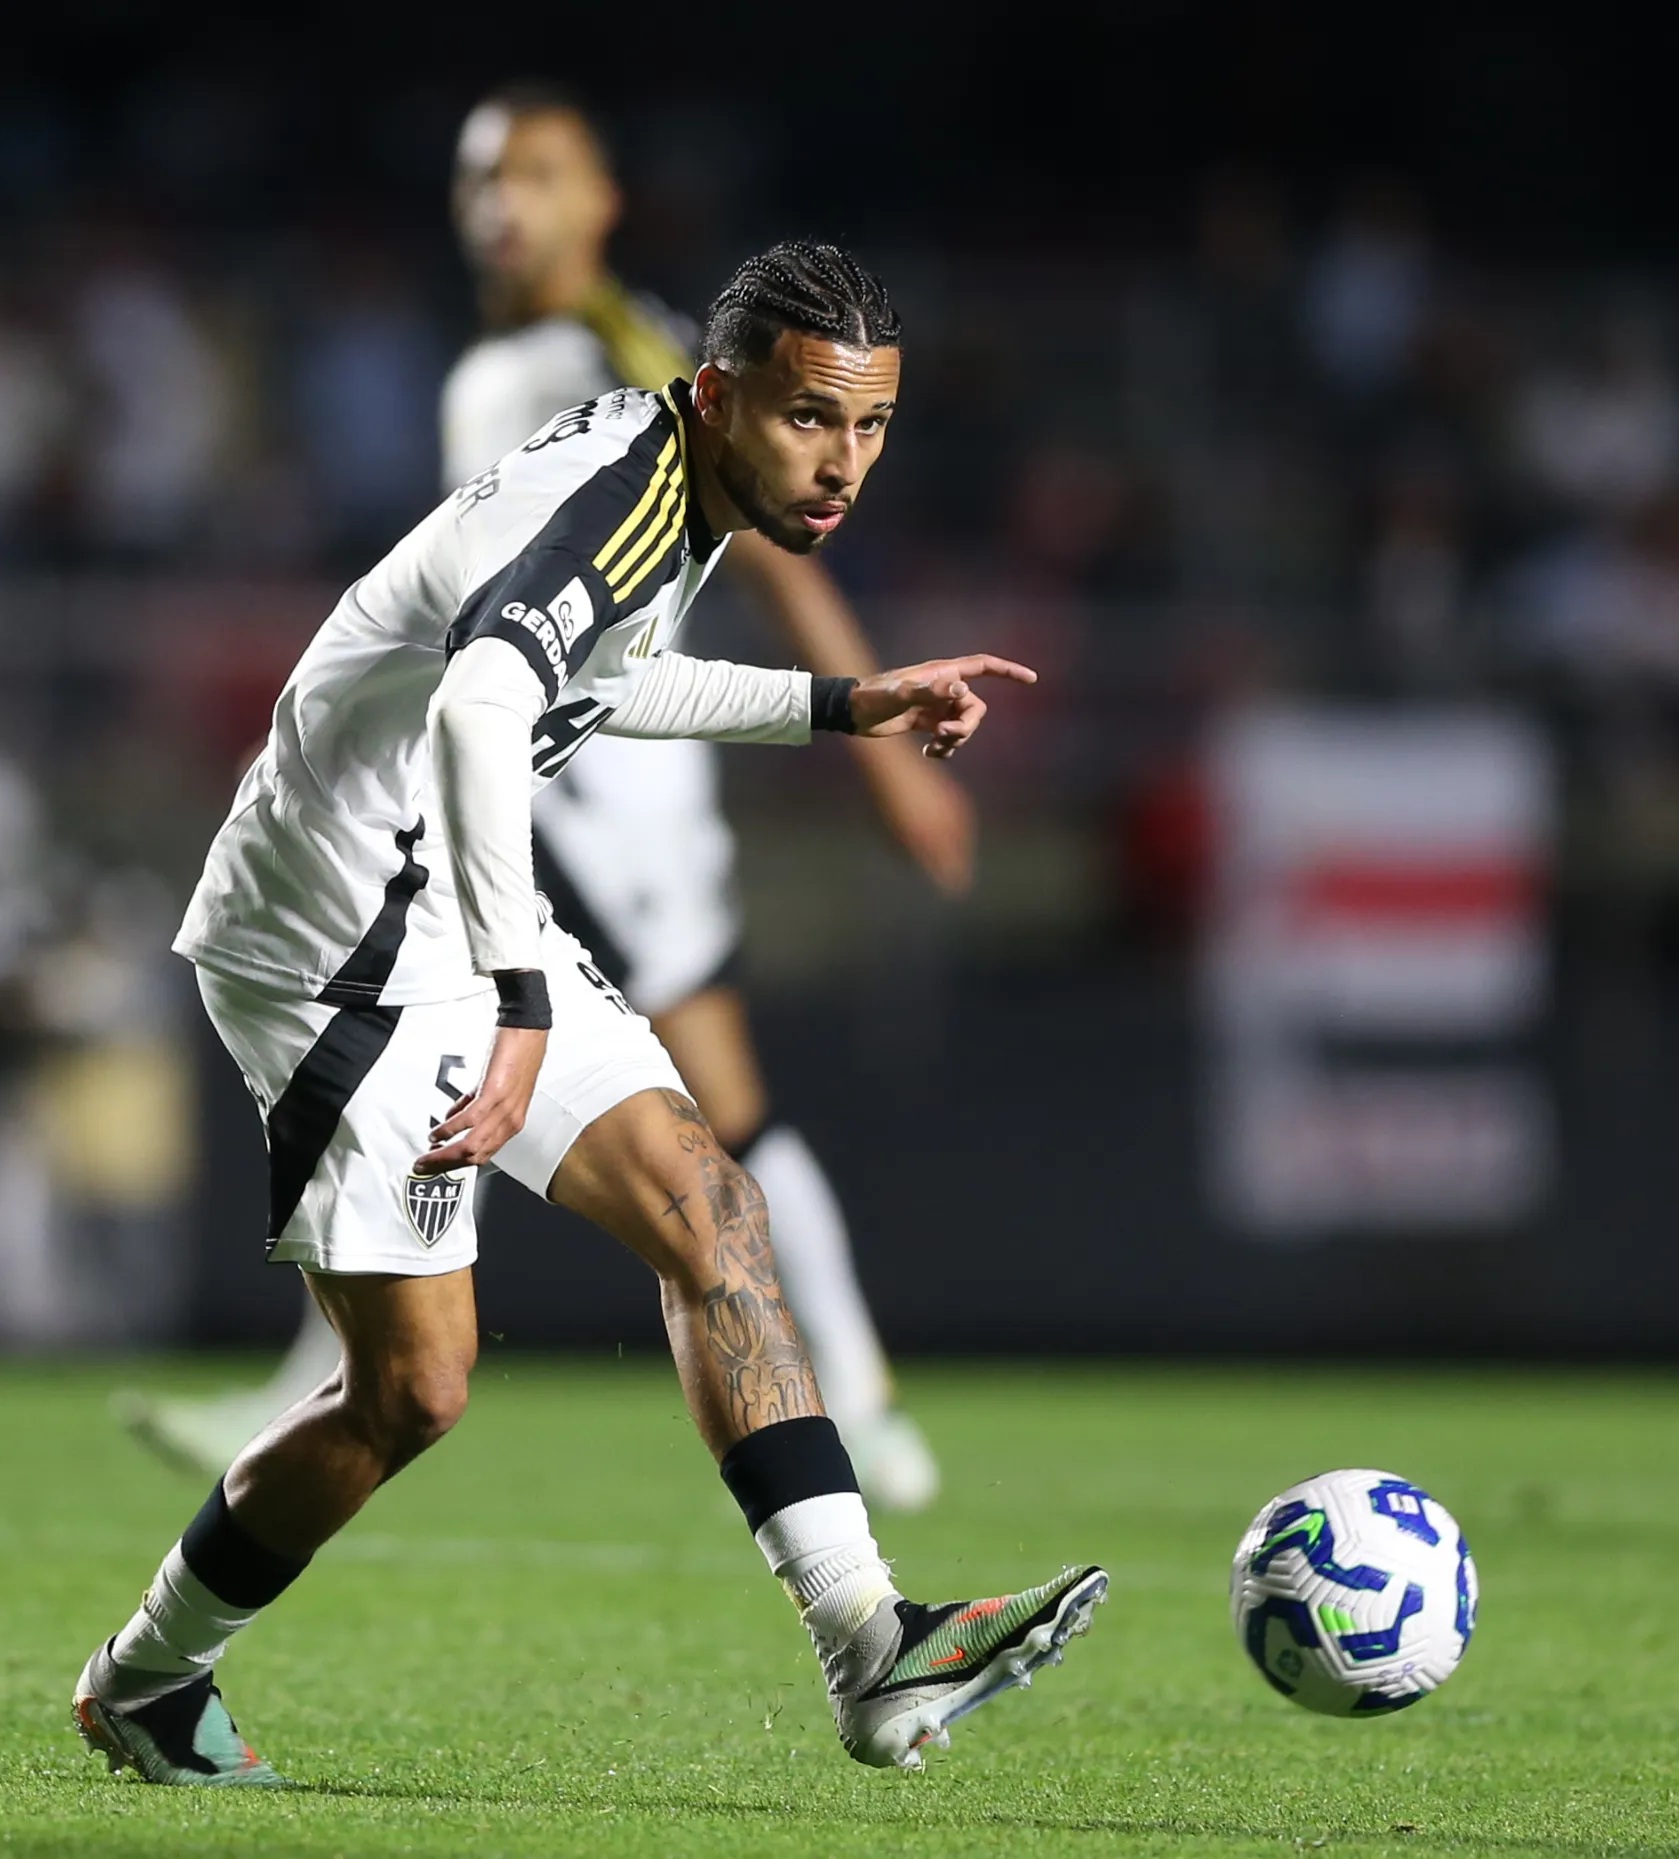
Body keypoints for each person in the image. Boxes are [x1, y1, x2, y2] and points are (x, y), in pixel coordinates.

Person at [72, 242, 1105, 1786]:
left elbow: (605, 682)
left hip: (436, 898)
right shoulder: (622, 496)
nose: (844, 465)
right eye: (813, 417)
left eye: (873, 426)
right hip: (335, 938)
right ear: (719, 391)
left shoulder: (673, 478)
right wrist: (517, 993)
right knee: (412, 1390)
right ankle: (147, 1678)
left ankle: (871, 1645)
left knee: (714, 1209)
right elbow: (484, 702)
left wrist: (840, 702)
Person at [119, 87, 962, 1509]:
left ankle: (862, 1409)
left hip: (604, 793)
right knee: (533, 1090)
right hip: (508, 764)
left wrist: (868, 737)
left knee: (711, 1118)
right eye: (481, 177)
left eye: (540, 175)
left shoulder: (637, 356)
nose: (504, 203)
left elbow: (775, 549)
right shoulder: (508, 365)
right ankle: (329, 1392)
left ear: (602, 203)